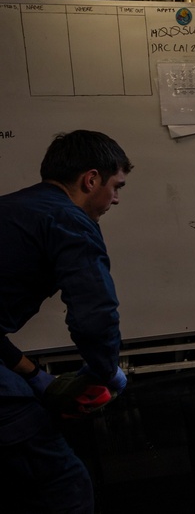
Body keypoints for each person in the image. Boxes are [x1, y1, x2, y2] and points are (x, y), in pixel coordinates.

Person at [1, 130, 132, 514]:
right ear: (90, 179)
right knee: (63, 484)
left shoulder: (12, 208)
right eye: (115, 186)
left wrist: (32, 375)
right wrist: (107, 372)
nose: (116, 199)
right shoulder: (69, 220)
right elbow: (94, 316)